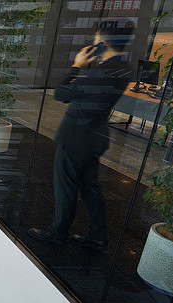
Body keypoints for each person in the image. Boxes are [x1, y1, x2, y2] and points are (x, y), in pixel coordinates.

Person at [28, 25, 134, 250]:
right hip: (95, 137)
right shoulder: (123, 69)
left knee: (66, 187)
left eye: (95, 40)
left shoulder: (100, 72)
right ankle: (98, 236)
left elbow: (61, 93)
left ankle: (57, 232)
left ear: (102, 44)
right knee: (89, 187)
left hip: (75, 137)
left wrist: (77, 66)